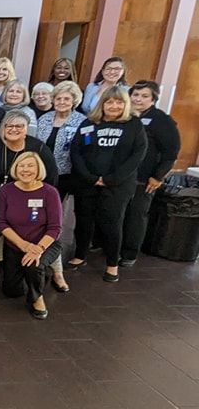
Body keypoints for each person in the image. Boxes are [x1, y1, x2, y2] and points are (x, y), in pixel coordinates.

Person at [69, 86, 147, 282]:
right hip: (87, 182)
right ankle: (80, 255)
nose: (114, 106)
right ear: (102, 104)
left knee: (112, 223)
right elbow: (76, 151)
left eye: (119, 102)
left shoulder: (134, 125)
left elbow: (137, 155)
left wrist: (112, 179)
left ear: (125, 104)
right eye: (109, 102)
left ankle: (112, 264)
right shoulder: (89, 123)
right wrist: (90, 177)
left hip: (118, 185)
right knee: (84, 220)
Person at [121, 80, 181, 266]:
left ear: (153, 99)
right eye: (136, 95)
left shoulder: (162, 120)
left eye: (144, 96)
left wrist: (158, 176)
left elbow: (171, 152)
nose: (138, 99)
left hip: (144, 179)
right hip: (122, 177)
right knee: (117, 213)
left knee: (136, 216)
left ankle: (129, 254)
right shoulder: (126, 116)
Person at [0, 152, 63, 319]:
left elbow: (55, 228)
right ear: (15, 168)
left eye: (30, 166)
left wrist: (37, 249)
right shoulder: (6, 190)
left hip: (45, 244)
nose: (25, 170)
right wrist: (24, 245)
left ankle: (37, 298)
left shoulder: (50, 192)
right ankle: (42, 275)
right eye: (22, 166)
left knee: (33, 265)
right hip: (16, 245)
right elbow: (1, 223)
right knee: (11, 291)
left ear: (38, 169)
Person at [0, 110, 58, 195]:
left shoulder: (39, 148)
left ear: (27, 128)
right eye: (9, 126)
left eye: (19, 126)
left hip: (29, 197)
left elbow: (52, 178)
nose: (14, 129)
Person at [36, 81, 84, 199]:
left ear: (74, 101)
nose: (62, 102)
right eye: (58, 99)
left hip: (66, 175)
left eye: (66, 99)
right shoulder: (44, 119)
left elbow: (86, 148)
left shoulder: (82, 121)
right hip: (42, 173)